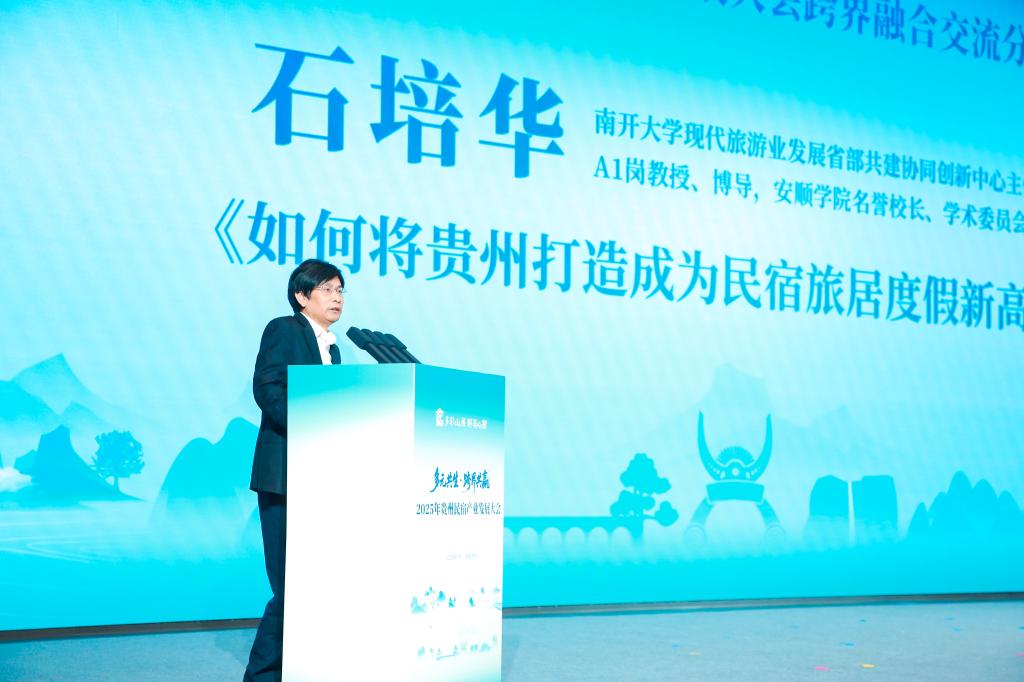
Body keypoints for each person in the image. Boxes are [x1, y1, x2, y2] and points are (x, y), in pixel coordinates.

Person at [244, 259, 345, 682]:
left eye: (340, 290)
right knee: (289, 587)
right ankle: (262, 675)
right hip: (285, 475)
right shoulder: (284, 329)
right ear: (302, 296)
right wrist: (310, 424)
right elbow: (267, 388)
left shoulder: (334, 349)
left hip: (317, 479)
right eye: (327, 289)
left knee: (309, 586)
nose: (337, 297)